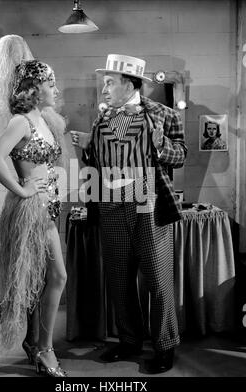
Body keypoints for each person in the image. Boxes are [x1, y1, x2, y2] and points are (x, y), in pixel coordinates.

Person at [71, 54, 187, 374]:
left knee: (157, 279)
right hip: (110, 202)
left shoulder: (163, 115)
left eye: (110, 83)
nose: (104, 89)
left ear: (129, 84)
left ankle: (165, 346)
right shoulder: (102, 119)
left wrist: (161, 145)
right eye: (104, 83)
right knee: (119, 277)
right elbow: (95, 160)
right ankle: (129, 342)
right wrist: (86, 152)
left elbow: (180, 156)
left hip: (147, 202)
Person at [0, 34, 68, 366]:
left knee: (45, 277)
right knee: (57, 276)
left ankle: (36, 344)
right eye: (51, 83)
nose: (56, 89)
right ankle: (45, 351)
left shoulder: (44, 120)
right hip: (30, 210)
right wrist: (21, 190)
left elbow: (50, 164)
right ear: (35, 88)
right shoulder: (20, 121)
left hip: (48, 208)